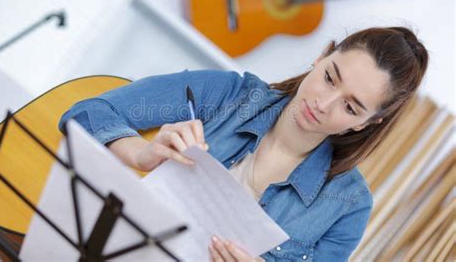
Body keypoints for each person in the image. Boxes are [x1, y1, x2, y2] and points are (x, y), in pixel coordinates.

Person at [58, 26, 429, 261]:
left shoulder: (348, 206)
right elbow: (88, 112)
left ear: (367, 122)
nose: (323, 103)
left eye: (350, 107)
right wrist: (139, 152)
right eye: (330, 78)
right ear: (321, 56)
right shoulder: (226, 94)